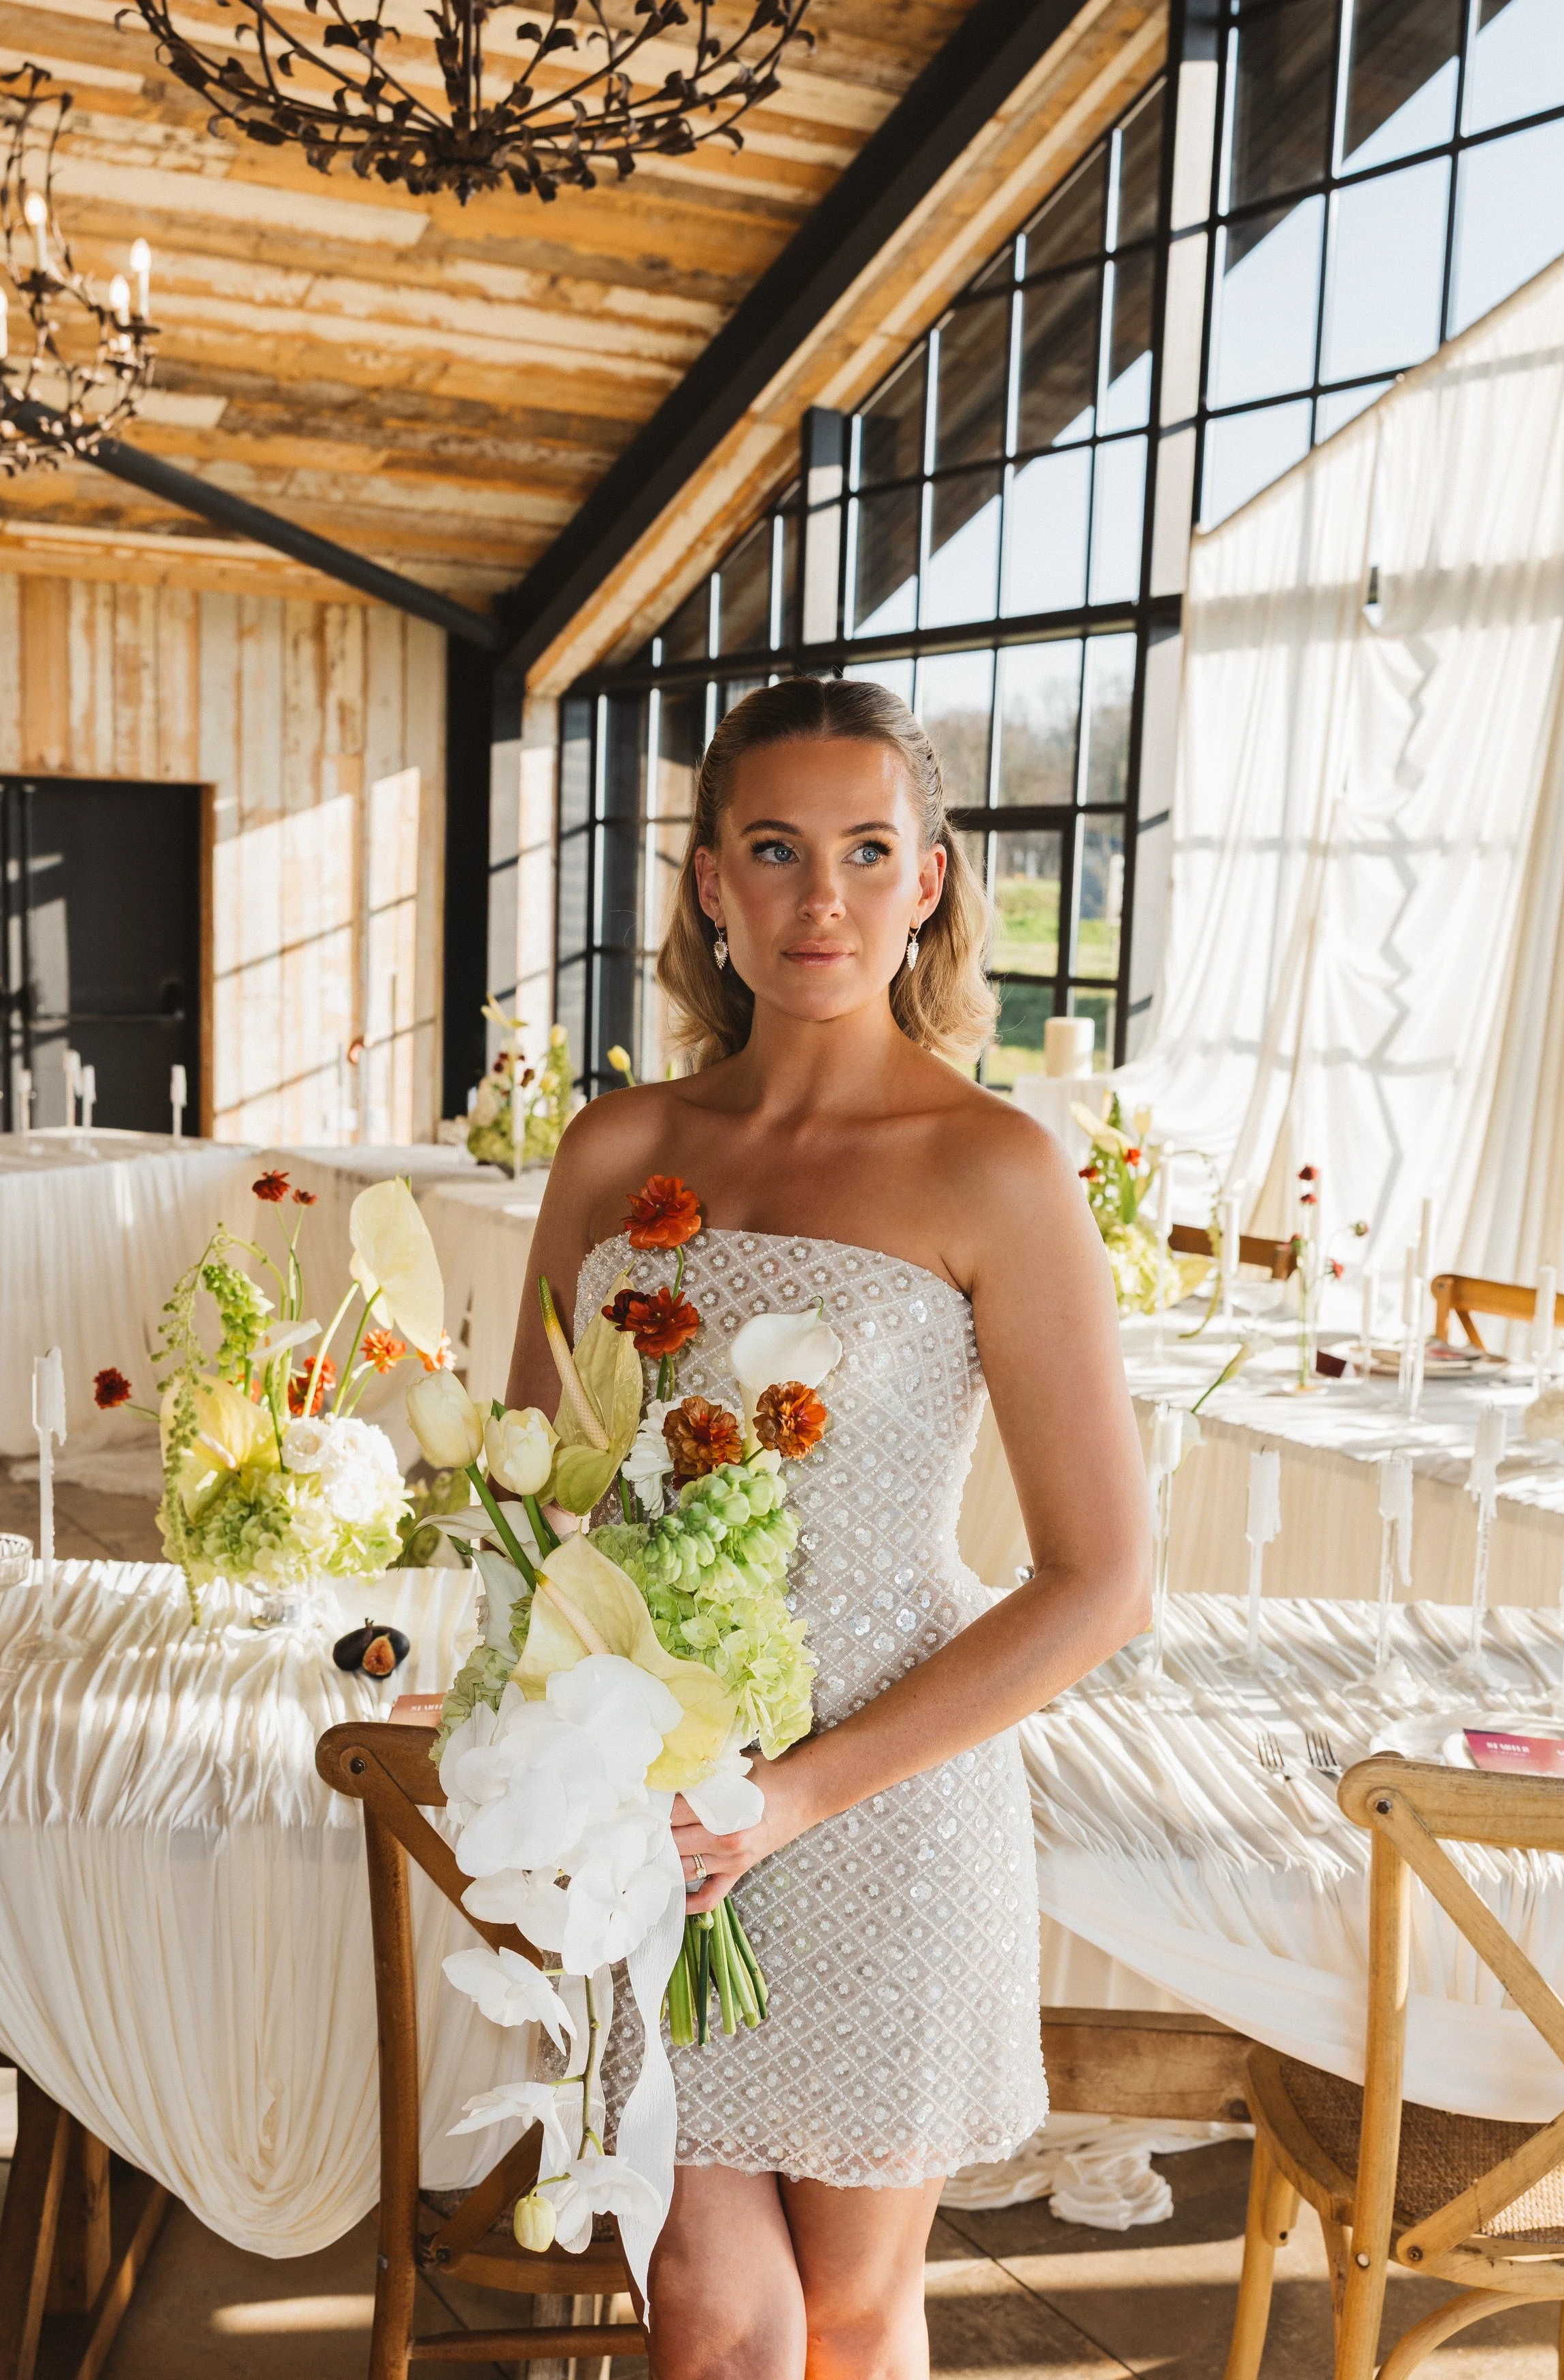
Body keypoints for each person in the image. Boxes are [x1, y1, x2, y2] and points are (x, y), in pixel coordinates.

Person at [507, 675, 1151, 2380]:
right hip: (650, 1803)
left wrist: (793, 1792)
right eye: (775, 850)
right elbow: (532, 1494)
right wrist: (566, 1756)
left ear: (928, 880)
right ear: (709, 881)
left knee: (853, 2316)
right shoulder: (616, 1148)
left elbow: (1100, 1578)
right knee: (708, 2316)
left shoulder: (995, 1168)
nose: (821, 901)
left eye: (868, 852)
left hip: (887, 1805)